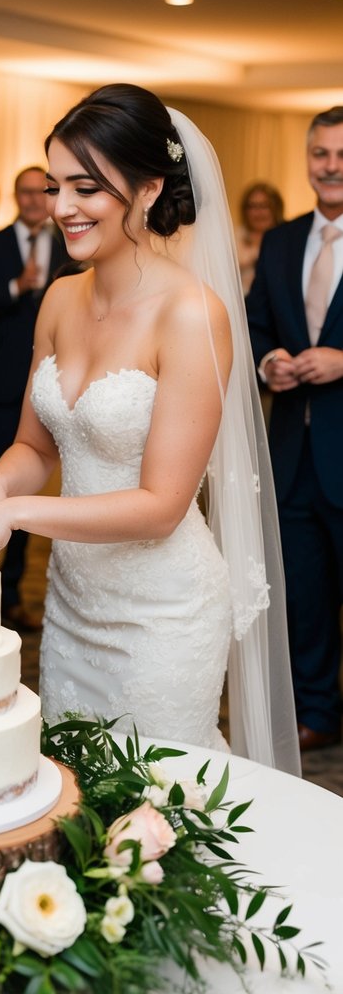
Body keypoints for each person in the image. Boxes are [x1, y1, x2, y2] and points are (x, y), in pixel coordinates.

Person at [0, 85, 299, 774]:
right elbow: (32, 446)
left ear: (145, 189)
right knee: (77, 803)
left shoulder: (192, 315)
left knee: (154, 809)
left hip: (162, 613)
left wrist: (15, 514)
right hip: (73, 601)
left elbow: (162, 507)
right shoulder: (58, 297)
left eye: (86, 187)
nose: (61, 207)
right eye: (54, 186)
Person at [246, 106, 343, 753]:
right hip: (291, 450)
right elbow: (254, 324)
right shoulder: (279, 241)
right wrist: (267, 360)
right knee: (303, 590)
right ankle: (316, 710)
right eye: (319, 154)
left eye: (340, 154)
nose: (330, 166)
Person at [0, 166, 75, 627]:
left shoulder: (70, 241)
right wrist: (18, 287)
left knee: (43, 479)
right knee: (0, 473)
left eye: (43, 192)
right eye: (27, 193)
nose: (35, 200)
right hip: (1, 379)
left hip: (54, 384)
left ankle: (13, 592)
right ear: (15, 196)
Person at [235, 181, 284, 294]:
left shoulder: (287, 238)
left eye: (264, 206)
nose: (258, 212)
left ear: (275, 208)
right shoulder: (235, 238)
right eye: (253, 206)